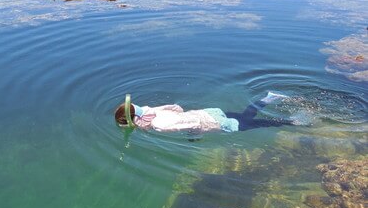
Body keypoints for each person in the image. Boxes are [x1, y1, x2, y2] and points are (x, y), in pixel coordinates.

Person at [114, 92, 293, 133]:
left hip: (215, 123)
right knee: (246, 115)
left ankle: (293, 123)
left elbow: (193, 125)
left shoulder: (158, 126)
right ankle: (269, 98)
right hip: (208, 112)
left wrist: (194, 135)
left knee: (260, 123)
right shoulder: (149, 110)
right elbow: (177, 108)